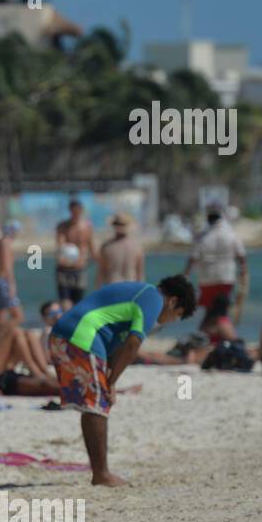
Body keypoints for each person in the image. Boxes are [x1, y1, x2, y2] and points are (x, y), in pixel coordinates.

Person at [48, 277, 196, 486]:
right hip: (81, 337)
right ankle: (101, 475)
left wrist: (111, 382)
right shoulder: (154, 298)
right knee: (96, 407)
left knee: (94, 404)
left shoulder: (142, 293)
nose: (171, 320)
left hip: (63, 336)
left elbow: (118, 345)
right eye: (177, 315)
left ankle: (100, 473)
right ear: (172, 301)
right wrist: (111, 381)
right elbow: (133, 344)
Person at [185, 204, 246, 314]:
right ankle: (221, 327)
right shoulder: (231, 234)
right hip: (226, 278)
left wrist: (185, 277)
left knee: (209, 310)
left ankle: (210, 330)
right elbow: (241, 256)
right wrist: (244, 275)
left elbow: (193, 259)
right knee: (223, 309)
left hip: (206, 279)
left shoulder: (202, 237)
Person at [55, 199, 98, 308]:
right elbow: (60, 246)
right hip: (64, 268)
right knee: (65, 301)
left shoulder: (87, 227)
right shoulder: (63, 227)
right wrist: (62, 259)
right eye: (73, 211)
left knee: (78, 301)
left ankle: (75, 323)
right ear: (70, 211)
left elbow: (92, 249)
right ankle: (67, 322)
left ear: (81, 210)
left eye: (78, 211)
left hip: (80, 268)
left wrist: (101, 263)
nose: (76, 214)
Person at [0, 220, 25, 332]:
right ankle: (3, 337)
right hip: (2, 282)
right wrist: (12, 286)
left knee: (0, 318)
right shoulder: (5, 243)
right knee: (18, 316)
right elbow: (7, 267)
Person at [97, 213, 144, 285]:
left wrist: (98, 290)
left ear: (114, 226)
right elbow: (140, 275)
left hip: (114, 287)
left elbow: (101, 272)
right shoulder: (137, 246)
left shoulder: (107, 247)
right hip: (131, 288)